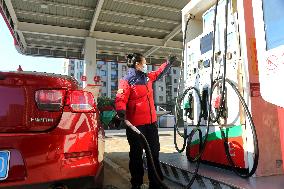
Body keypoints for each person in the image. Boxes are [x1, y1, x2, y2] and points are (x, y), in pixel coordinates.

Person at [115, 53, 176, 189]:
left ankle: (156, 183)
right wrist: (120, 111)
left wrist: (168, 63)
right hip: (135, 125)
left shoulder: (147, 77)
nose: (146, 65)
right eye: (144, 63)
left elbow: (159, 73)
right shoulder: (127, 80)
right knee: (136, 155)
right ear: (137, 64)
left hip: (151, 124)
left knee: (153, 153)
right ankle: (136, 183)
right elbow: (120, 98)